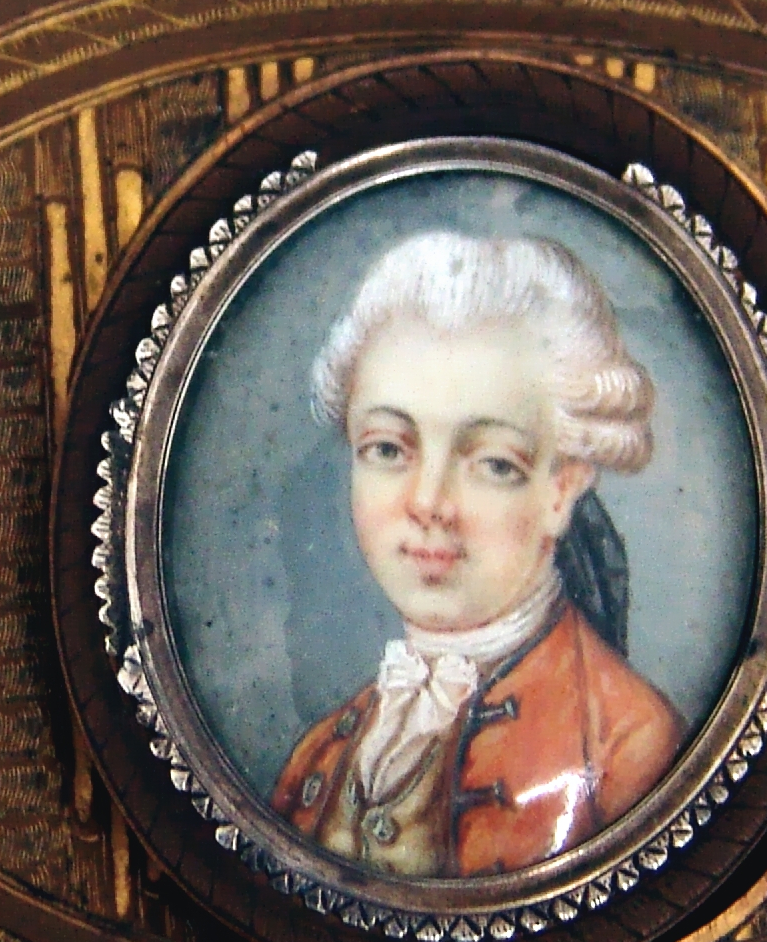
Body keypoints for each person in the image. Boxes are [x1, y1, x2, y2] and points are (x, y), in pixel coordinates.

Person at [271, 232, 687, 877]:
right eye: (388, 449)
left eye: (493, 463)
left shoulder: (628, 747)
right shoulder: (319, 754)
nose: (428, 502)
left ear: (562, 488)